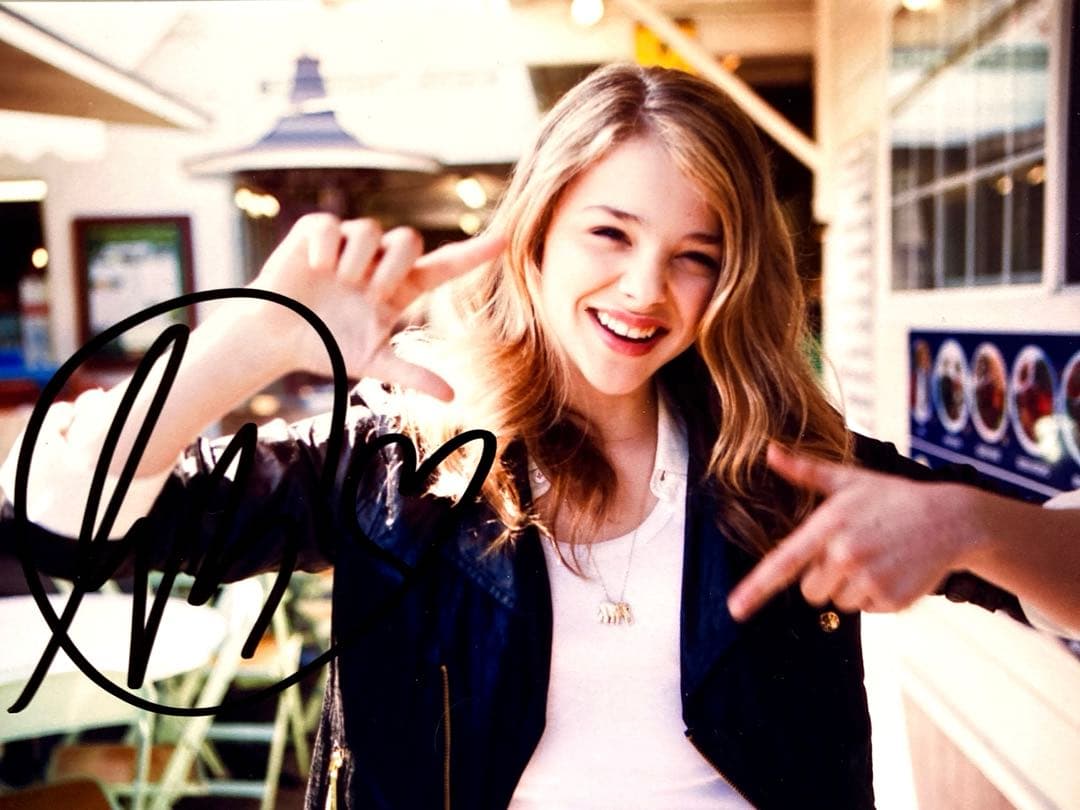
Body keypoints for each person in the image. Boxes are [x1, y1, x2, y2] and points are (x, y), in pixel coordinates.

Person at [2, 63, 1078, 809]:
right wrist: (257, 337)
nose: (646, 289)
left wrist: (973, 524)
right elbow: (58, 519)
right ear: (535, 235)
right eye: (610, 233)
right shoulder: (395, 467)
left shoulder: (784, 465)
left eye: (695, 255)